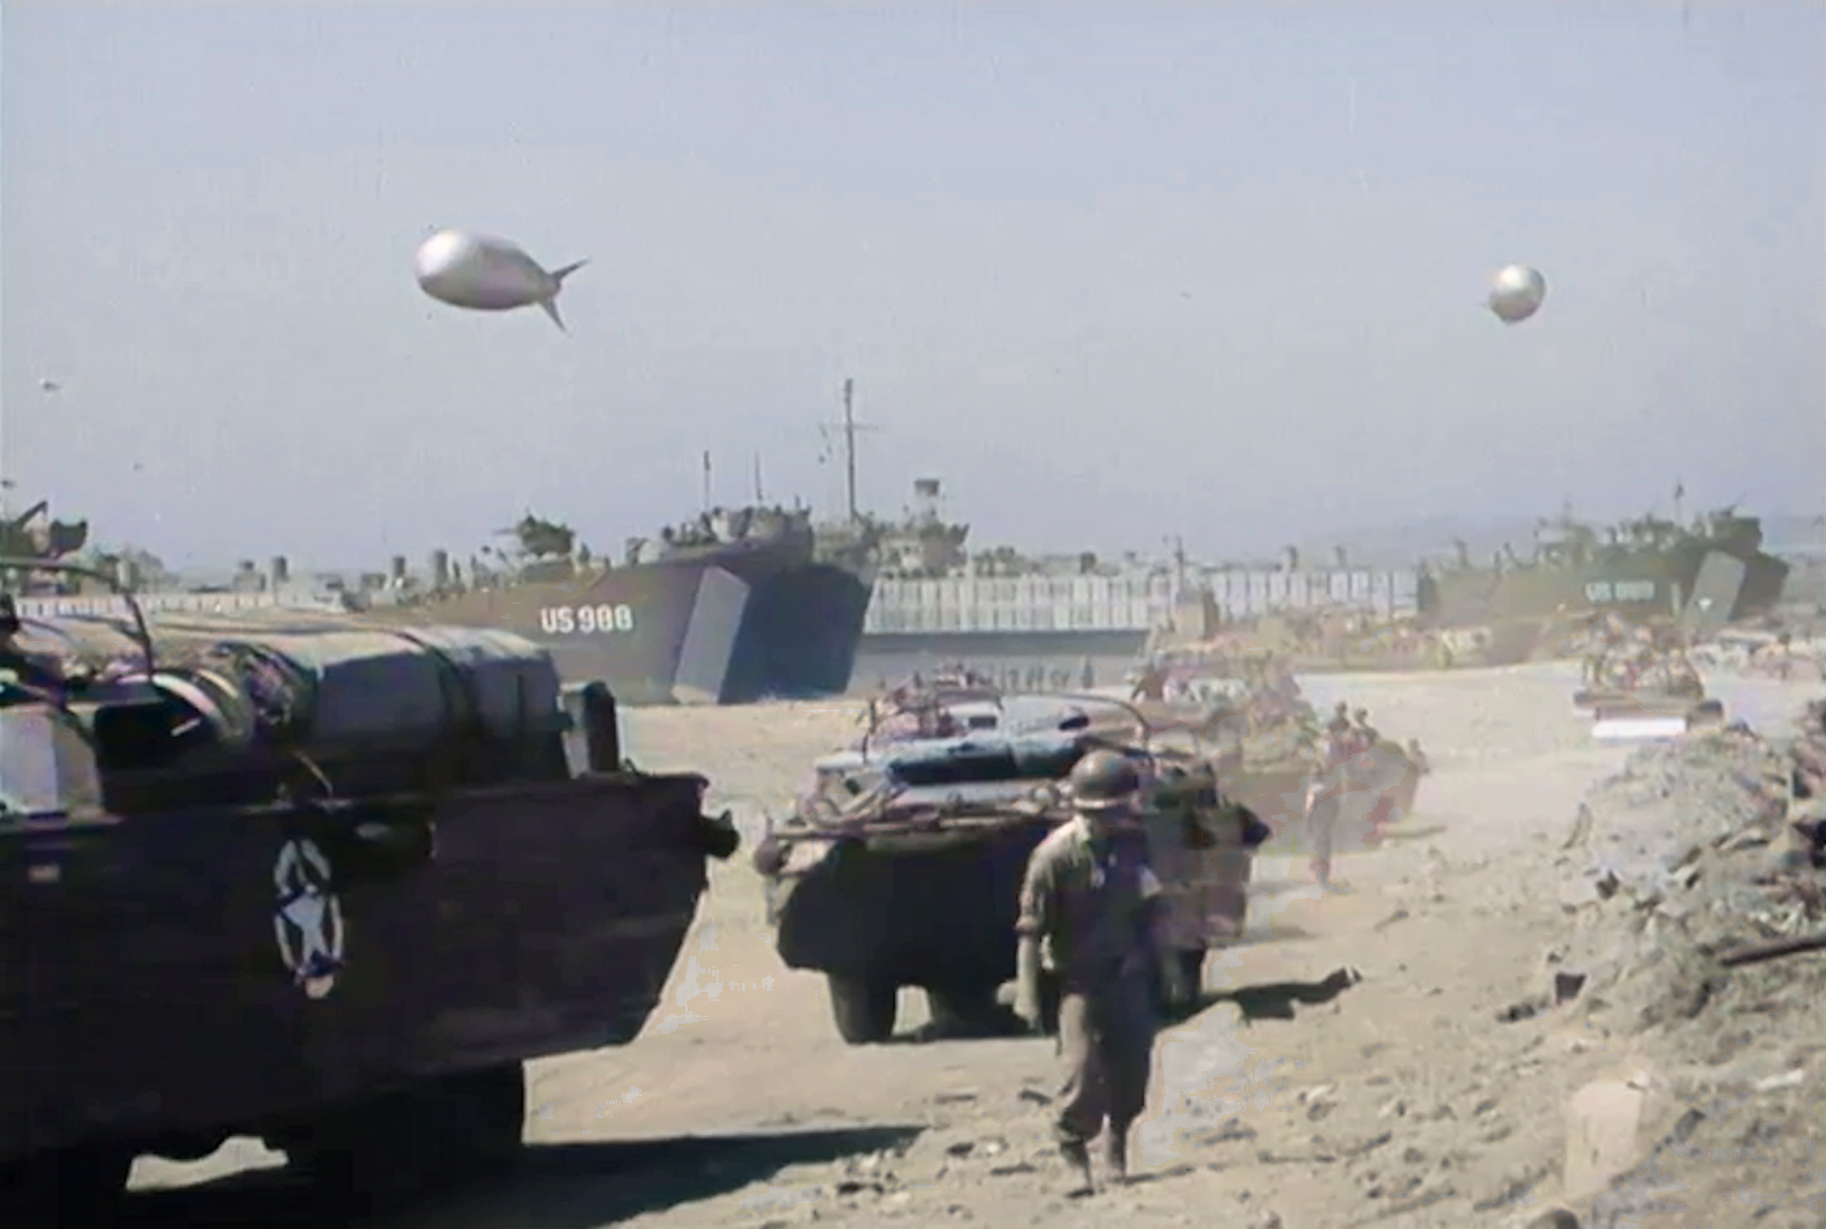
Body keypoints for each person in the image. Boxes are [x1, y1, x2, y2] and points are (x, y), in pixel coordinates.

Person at [1014, 749, 1163, 1195]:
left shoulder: (1134, 845)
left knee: (1132, 1067)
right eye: (1113, 810)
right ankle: (1073, 1154)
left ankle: (1116, 1144)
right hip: (1077, 980)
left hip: (1127, 974)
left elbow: (1152, 906)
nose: (1121, 817)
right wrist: (1027, 992)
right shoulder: (1054, 857)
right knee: (1080, 1071)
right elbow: (1030, 929)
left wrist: (1163, 964)